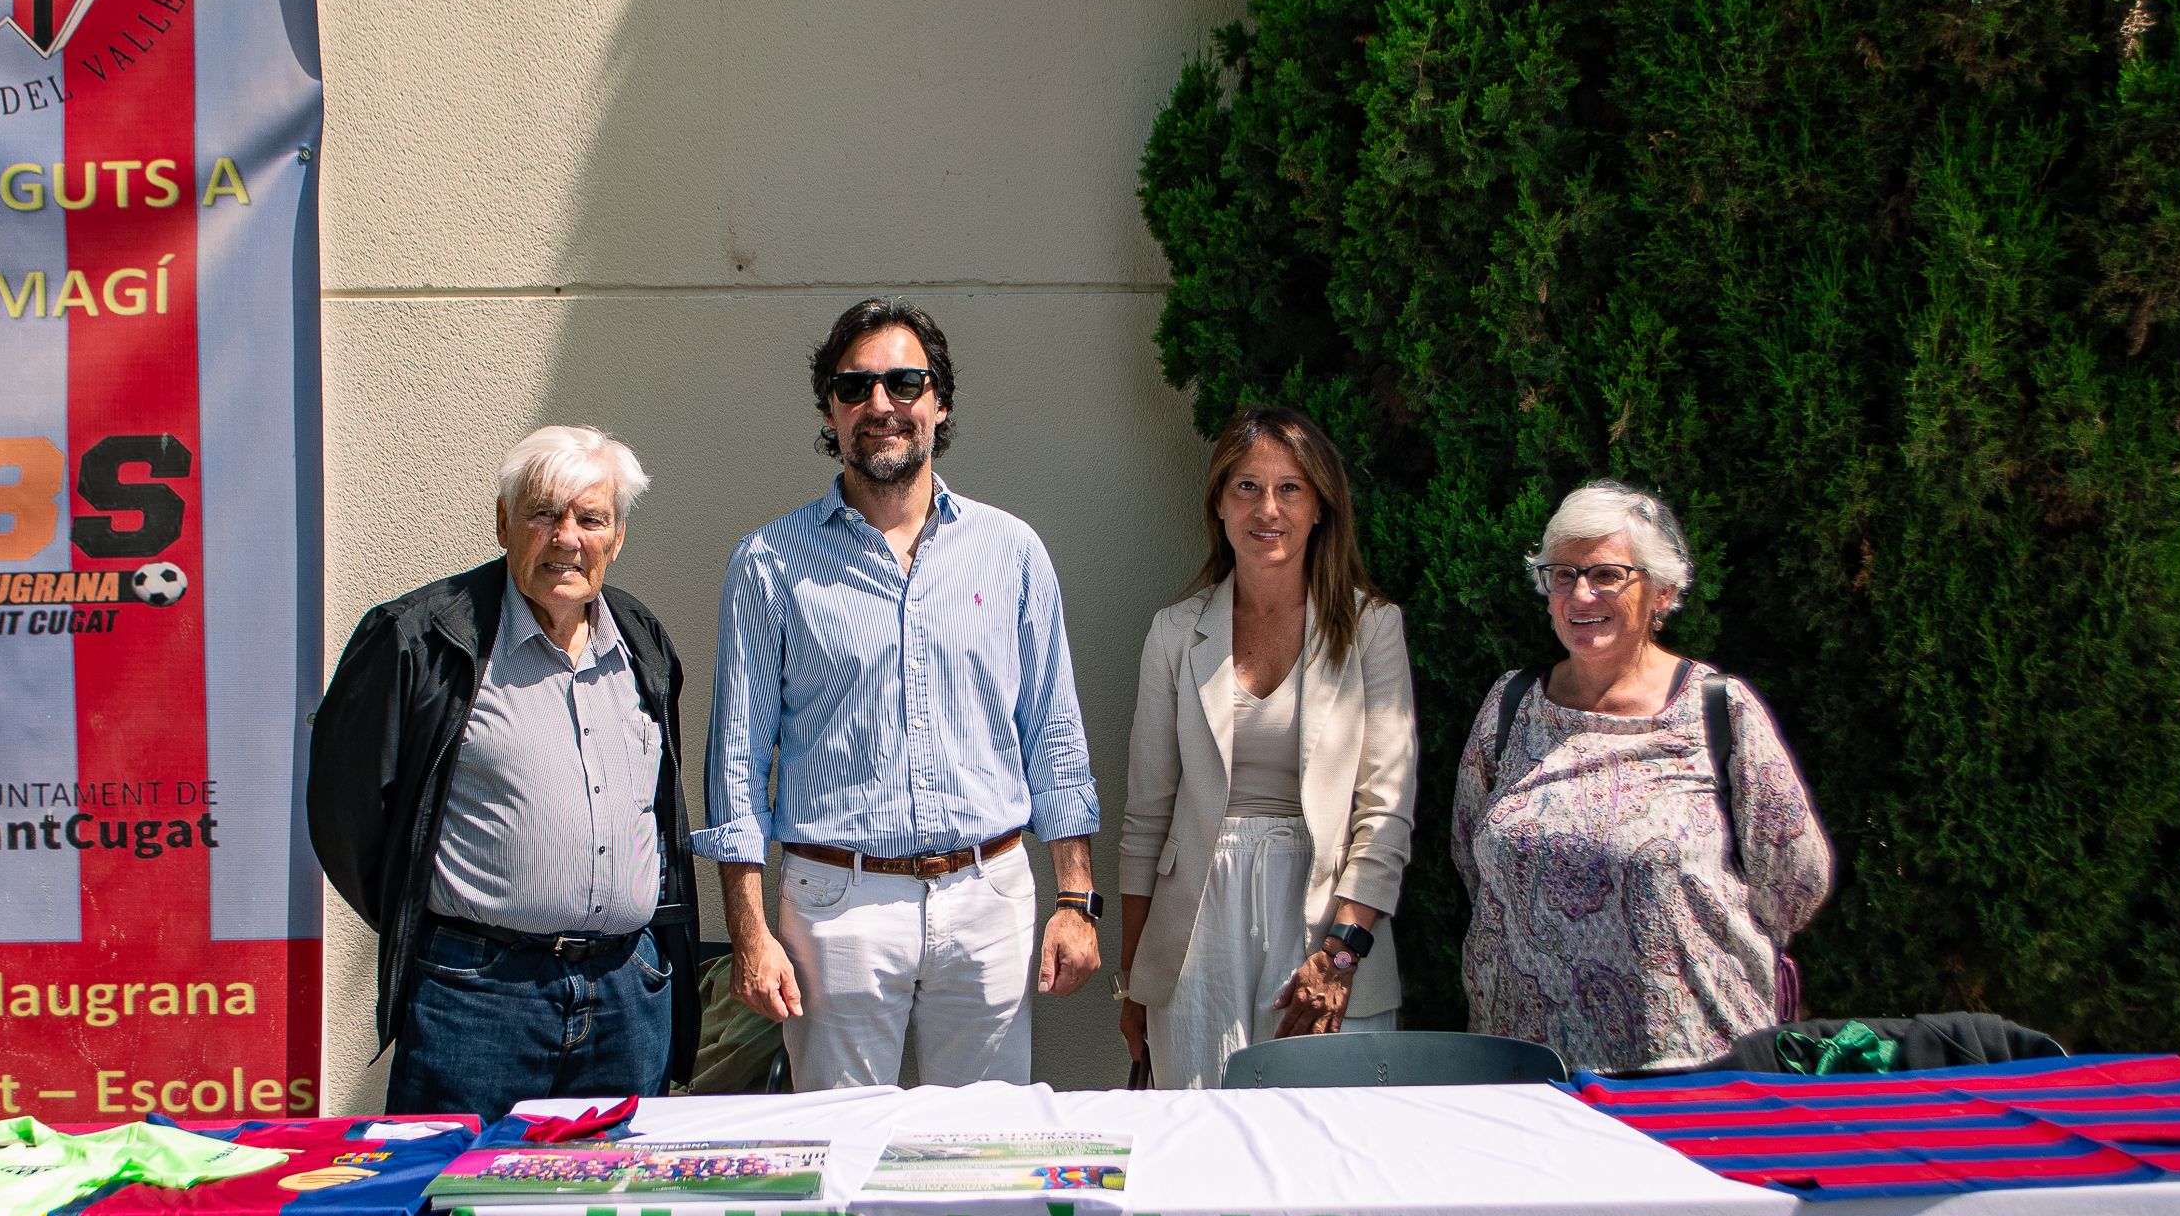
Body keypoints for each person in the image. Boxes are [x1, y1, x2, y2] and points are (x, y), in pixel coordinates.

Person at [699, 299, 1102, 1089]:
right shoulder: (768, 564)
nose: (880, 404)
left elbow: (1053, 733)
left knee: (982, 1155)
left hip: (989, 895)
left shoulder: (1011, 552)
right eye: (856, 387)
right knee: (839, 1160)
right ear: (830, 410)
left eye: (904, 382)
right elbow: (736, 764)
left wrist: (1076, 898)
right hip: (834, 905)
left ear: (939, 402)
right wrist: (748, 930)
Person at [307, 426, 700, 1122]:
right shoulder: (419, 639)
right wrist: (429, 923)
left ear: (618, 536)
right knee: (462, 1208)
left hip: (627, 997)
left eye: (590, 518)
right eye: (543, 513)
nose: (566, 538)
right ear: (502, 522)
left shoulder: (640, 638)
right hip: (478, 999)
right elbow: (348, 818)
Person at [1449, 480, 1832, 1072]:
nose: (1581, 594)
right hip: (1526, 1074)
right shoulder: (1511, 705)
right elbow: (1472, 857)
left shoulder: (1718, 711)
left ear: (1662, 591)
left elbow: (1794, 881)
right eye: (1562, 575)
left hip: (1688, 1068)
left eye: (1606, 574)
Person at [1115, 407, 1416, 1087]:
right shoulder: (1174, 633)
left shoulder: (1372, 630)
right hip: (1195, 932)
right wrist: (1134, 977)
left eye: (1291, 489)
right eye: (1246, 487)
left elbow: (1385, 814)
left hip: (1326, 921)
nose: (1267, 508)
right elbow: (1145, 820)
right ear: (1218, 504)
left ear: (1320, 508)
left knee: (1327, 1147)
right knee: (1201, 1145)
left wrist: (1342, 955)